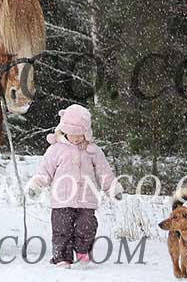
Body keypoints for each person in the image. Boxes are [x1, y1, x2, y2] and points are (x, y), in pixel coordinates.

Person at [25, 104, 123, 268]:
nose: (77, 138)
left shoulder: (93, 151)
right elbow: (45, 171)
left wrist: (112, 188)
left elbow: (103, 172)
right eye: (73, 134)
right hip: (62, 199)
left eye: (80, 134)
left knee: (87, 226)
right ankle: (62, 257)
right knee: (62, 229)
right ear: (64, 131)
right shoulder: (56, 150)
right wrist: (36, 186)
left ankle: (82, 250)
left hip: (87, 198)